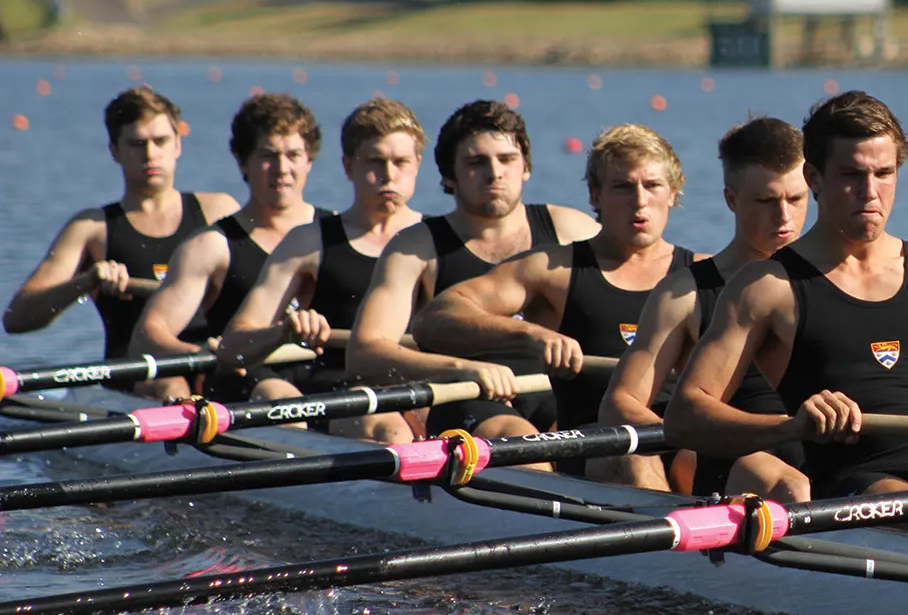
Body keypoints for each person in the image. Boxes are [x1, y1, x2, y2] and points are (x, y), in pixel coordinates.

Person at [663, 91, 908, 540]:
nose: (870, 192)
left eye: (884, 174)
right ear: (814, 177)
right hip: (850, 483)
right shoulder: (767, 287)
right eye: (851, 175)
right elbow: (685, 418)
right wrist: (792, 427)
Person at [412, 123, 701, 480]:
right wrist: (532, 336)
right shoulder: (554, 271)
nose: (640, 201)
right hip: (600, 449)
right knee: (639, 461)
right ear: (595, 196)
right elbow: (435, 319)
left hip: (682, 440)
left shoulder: (706, 274)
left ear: (673, 193)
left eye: (652, 186)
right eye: (623, 187)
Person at [346, 100, 598, 442]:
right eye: (477, 162)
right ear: (450, 176)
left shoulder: (572, 231)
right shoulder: (416, 248)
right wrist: (461, 370)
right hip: (468, 401)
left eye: (507, 160)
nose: (495, 173)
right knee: (521, 441)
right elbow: (364, 354)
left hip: (558, 396)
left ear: (525, 167)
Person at [599, 117, 809, 495]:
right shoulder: (686, 293)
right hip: (735, 456)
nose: (784, 218)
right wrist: (688, 443)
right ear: (731, 199)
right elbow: (621, 403)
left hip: (820, 448)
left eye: (796, 199)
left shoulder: (835, 280)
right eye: (765, 201)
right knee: (791, 486)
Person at [214, 98, 428, 441]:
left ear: (417, 164)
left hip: (422, 388)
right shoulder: (309, 242)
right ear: (348, 166)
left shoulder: (440, 239)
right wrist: (284, 331)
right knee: (392, 431)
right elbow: (231, 349)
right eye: (374, 162)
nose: (389, 175)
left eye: (400, 162)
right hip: (338, 395)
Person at [4, 87, 239, 372]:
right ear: (115, 151)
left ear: (178, 144)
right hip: (138, 377)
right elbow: (16, 319)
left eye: (160, 141)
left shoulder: (219, 211)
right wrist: (86, 282)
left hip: (214, 363)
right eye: (137, 144)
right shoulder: (92, 228)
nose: (150, 154)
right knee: (170, 383)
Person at [130, 93, 325, 400]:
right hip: (245, 379)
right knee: (281, 397)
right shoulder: (212, 246)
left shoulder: (337, 232)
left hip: (324, 375)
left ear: (310, 160)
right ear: (243, 162)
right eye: (268, 155)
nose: (281, 168)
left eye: (294, 155)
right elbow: (146, 337)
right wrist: (201, 352)